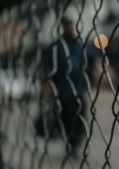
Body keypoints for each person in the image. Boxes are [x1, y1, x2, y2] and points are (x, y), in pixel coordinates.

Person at [37, 11, 100, 157]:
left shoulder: (80, 44)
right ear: (63, 26)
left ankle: (75, 144)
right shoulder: (56, 47)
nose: (71, 27)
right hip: (63, 92)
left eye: (72, 24)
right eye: (68, 24)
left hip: (79, 90)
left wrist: (96, 76)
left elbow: (94, 61)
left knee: (80, 119)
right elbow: (44, 69)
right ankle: (70, 143)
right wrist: (47, 87)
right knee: (67, 119)